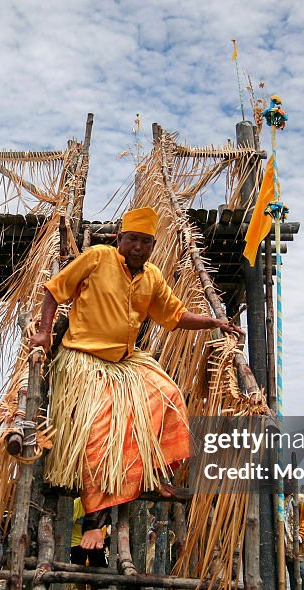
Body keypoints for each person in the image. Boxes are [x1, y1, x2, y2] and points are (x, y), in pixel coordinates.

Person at [30, 207, 241, 550]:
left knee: (168, 395)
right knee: (100, 428)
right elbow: (55, 289)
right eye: (132, 240)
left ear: (153, 245)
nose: (138, 248)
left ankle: (154, 474)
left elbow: (174, 315)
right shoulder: (97, 257)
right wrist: (43, 332)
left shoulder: (153, 277)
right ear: (119, 239)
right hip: (85, 360)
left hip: (125, 362)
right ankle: (93, 522)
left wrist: (213, 323)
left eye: (146, 242)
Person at [70, 497, 107, 590]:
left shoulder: (100, 502)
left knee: (98, 568)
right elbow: (70, 522)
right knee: (77, 569)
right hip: (77, 542)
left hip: (95, 541)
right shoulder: (77, 504)